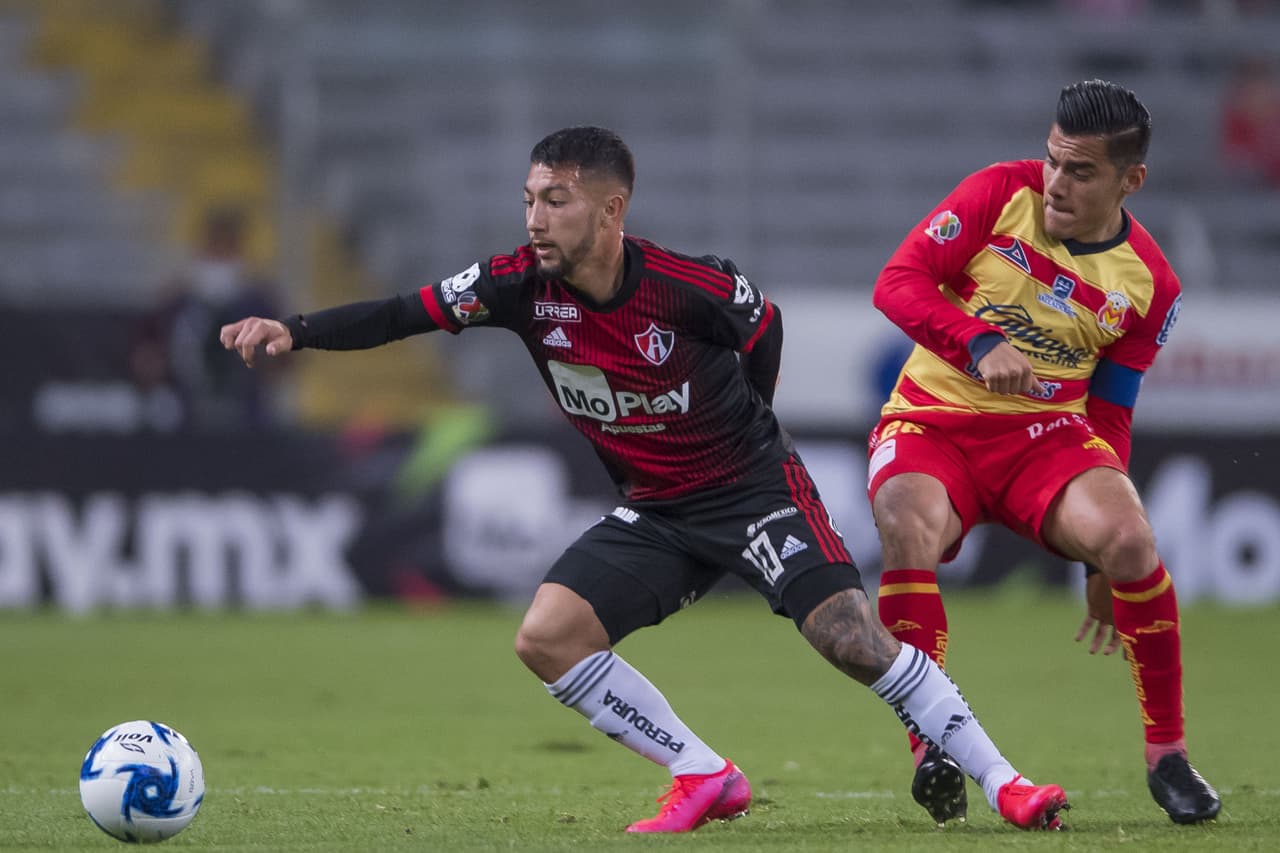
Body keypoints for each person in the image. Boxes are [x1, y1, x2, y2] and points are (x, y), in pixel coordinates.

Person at [221, 126, 1067, 833]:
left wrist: (757, 427)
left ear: (611, 208)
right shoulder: (514, 284)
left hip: (751, 491)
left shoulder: (686, 287)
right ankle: (703, 772)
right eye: (529, 198)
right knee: (546, 637)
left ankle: (1006, 783)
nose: (536, 218)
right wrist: (293, 332)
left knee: (849, 638)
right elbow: (403, 312)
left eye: (556, 200)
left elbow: (763, 326)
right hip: (658, 511)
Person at [867, 80, 1221, 827]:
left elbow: (1111, 411)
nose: (1057, 182)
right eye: (1055, 160)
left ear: (1132, 181)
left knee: (1131, 539)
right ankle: (930, 743)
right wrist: (978, 339)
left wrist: (1098, 564)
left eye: (1081, 171)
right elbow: (897, 283)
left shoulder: (1150, 283)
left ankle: (1169, 754)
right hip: (934, 420)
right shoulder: (1000, 193)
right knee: (905, 521)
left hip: (1044, 438)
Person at [132, 205, 285, 431]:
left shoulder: (261, 303)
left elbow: (286, 356)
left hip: (248, 414)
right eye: (216, 249)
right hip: (186, 413)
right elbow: (145, 356)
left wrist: (269, 358)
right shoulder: (175, 304)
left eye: (228, 250)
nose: (221, 260)